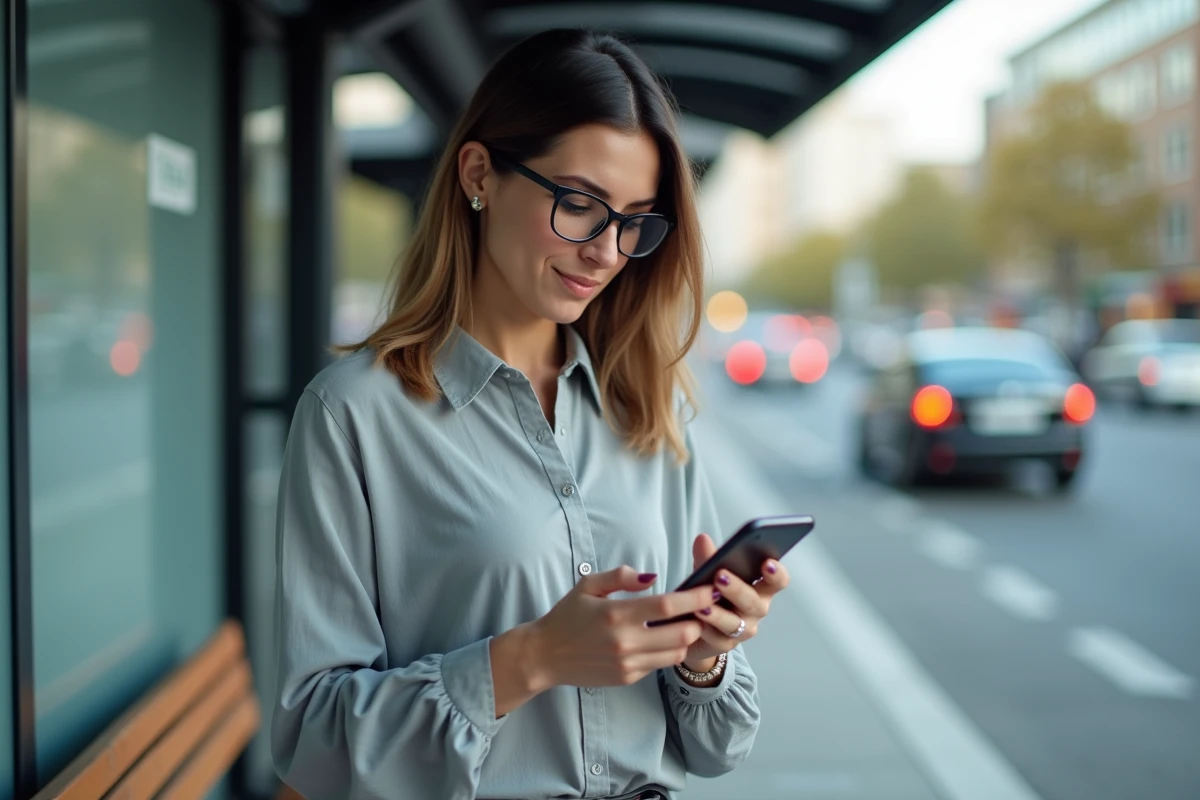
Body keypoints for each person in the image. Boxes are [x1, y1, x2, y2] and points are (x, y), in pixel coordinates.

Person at [272, 28, 792, 800]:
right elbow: (313, 747)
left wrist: (704, 658)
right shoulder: (353, 416)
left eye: (634, 221)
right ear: (479, 174)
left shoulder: (647, 409)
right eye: (579, 204)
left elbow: (718, 749)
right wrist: (531, 659)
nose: (606, 252)